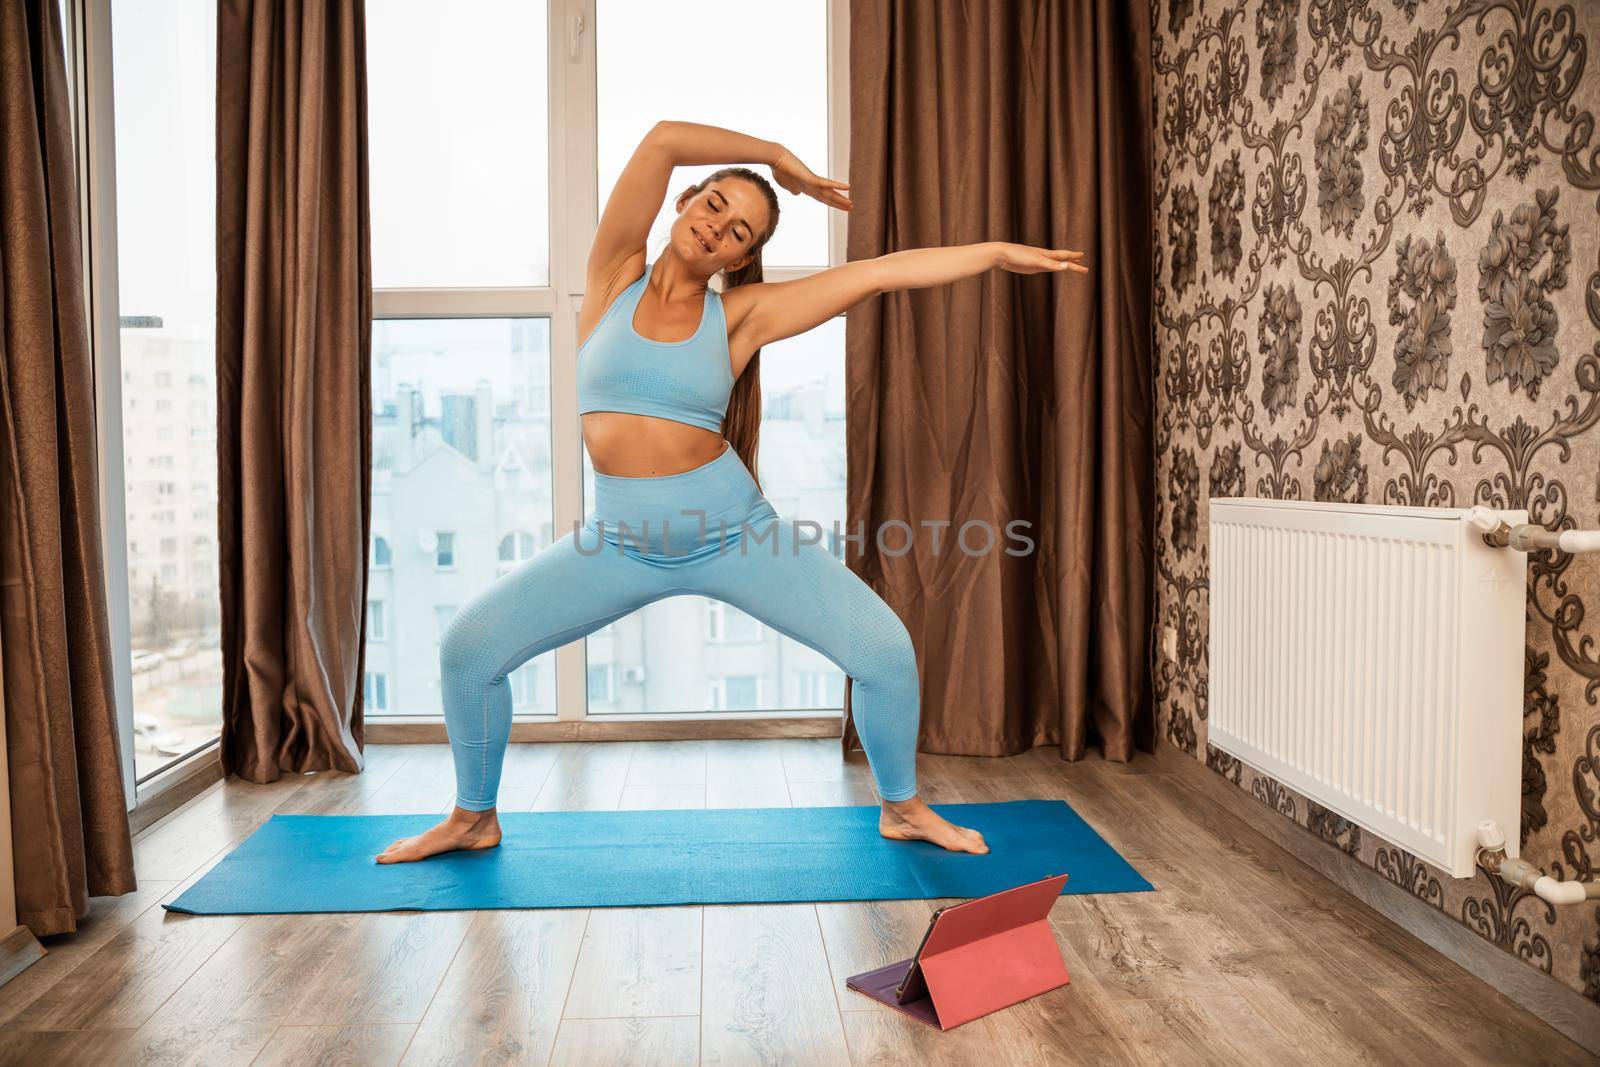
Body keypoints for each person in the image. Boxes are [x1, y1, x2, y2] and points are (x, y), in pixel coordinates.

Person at [377, 120, 1088, 864]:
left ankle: (903, 807)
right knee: (469, 648)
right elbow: (657, 141)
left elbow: (879, 273)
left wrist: (997, 255)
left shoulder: (739, 318)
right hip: (619, 543)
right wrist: (777, 161)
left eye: (739, 229)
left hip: (733, 533)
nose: (717, 226)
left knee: (884, 651)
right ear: (685, 200)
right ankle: (472, 817)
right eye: (713, 203)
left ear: (744, 258)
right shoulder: (613, 277)